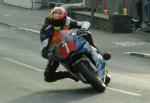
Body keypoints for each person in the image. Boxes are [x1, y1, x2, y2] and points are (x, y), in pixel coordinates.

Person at [40, 7, 111, 82]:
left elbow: (85, 23)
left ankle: (99, 55)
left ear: (64, 18)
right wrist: (49, 55)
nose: (58, 24)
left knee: (86, 34)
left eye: (60, 21)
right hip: (58, 52)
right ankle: (70, 74)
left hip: (70, 43)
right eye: (56, 21)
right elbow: (44, 49)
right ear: (51, 20)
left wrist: (83, 29)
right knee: (48, 76)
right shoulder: (46, 30)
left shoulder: (67, 20)